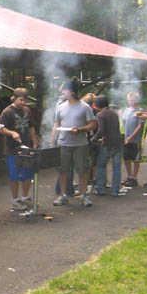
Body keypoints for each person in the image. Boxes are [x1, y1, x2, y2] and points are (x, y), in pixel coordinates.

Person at [50, 77, 97, 207]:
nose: (62, 93)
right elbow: (56, 124)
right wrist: (52, 141)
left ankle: (83, 196)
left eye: (64, 90)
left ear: (72, 92)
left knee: (82, 170)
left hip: (80, 144)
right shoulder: (60, 107)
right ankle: (63, 195)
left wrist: (81, 129)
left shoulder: (85, 107)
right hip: (64, 143)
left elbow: (93, 124)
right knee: (62, 170)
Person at [0, 88, 38, 210]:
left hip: (26, 146)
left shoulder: (27, 110)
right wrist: (12, 133)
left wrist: (34, 141)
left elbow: (31, 126)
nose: (23, 103)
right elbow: (1, 128)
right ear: (14, 98)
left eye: (25, 100)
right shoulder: (7, 112)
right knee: (14, 175)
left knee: (28, 173)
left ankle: (25, 197)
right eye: (21, 100)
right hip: (12, 149)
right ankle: (15, 200)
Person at [91, 96, 124, 197]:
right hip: (118, 142)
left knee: (101, 165)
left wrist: (94, 138)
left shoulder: (101, 114)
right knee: (116, 167)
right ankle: (115, 190)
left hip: (108, 143)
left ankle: (101, 189)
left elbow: (101, 130)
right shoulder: (114, 113)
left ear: (97, 105)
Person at [121, 92, 144, 187]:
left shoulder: (140, 110)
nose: (131, 102)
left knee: (136, 158)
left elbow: (140, 126)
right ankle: (129, 176)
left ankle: (134, 177)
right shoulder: (127, 110)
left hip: (135, 140)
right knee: (126, 158)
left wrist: (132, 136)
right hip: (127, 138)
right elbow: (124, 121)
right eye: (129, 100)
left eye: (132, 100)